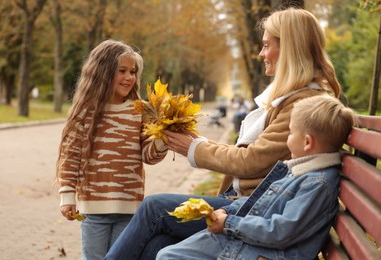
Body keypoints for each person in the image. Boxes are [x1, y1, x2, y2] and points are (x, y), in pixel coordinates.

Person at [105, 7, 342, 259]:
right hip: (246, 203)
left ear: (289, 49)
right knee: (159, 244)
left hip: (252, 208)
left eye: (266, 46)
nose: (261, 53)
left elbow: (251, 161)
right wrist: (197, 141)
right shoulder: (295, 99)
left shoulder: (302, 105)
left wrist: (193, 148)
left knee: (153, 208)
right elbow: (253, 156)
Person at [157, 95, 356, 259]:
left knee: (168, 256)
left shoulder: (315, 184)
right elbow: (259, 204)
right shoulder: (300, 172)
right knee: (165, 252)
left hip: (260, 252)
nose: (287, 140)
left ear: (306, 143)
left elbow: (280, 231)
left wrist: (229, 223)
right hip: (251, 242)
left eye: (290, 133)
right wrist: (226, 212)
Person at [55, 39, 168, 260]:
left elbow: (148, 155)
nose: (129, 77)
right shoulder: (85, 112)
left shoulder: (140, 112)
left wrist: (163, 137)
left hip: (129, 208)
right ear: (103, 73)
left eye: (133, 72)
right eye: (122, 71)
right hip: (93, 209)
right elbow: (71, 156)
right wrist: (67, 194)